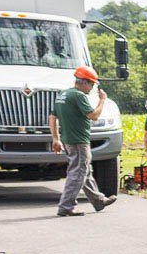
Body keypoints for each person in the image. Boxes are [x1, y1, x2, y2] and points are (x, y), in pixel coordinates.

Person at [49, 66, 117, 217]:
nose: (92, 88)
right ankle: (66, 206)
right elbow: (93, 116)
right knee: (77, 173)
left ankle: (99, 201)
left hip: (68, 140)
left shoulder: (63, 94)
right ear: (85, 82)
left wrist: (55, 138)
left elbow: (52, 117)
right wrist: (102, 100)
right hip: (79, 141)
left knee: (85, 172)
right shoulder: (79, 95)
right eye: (92, 84)